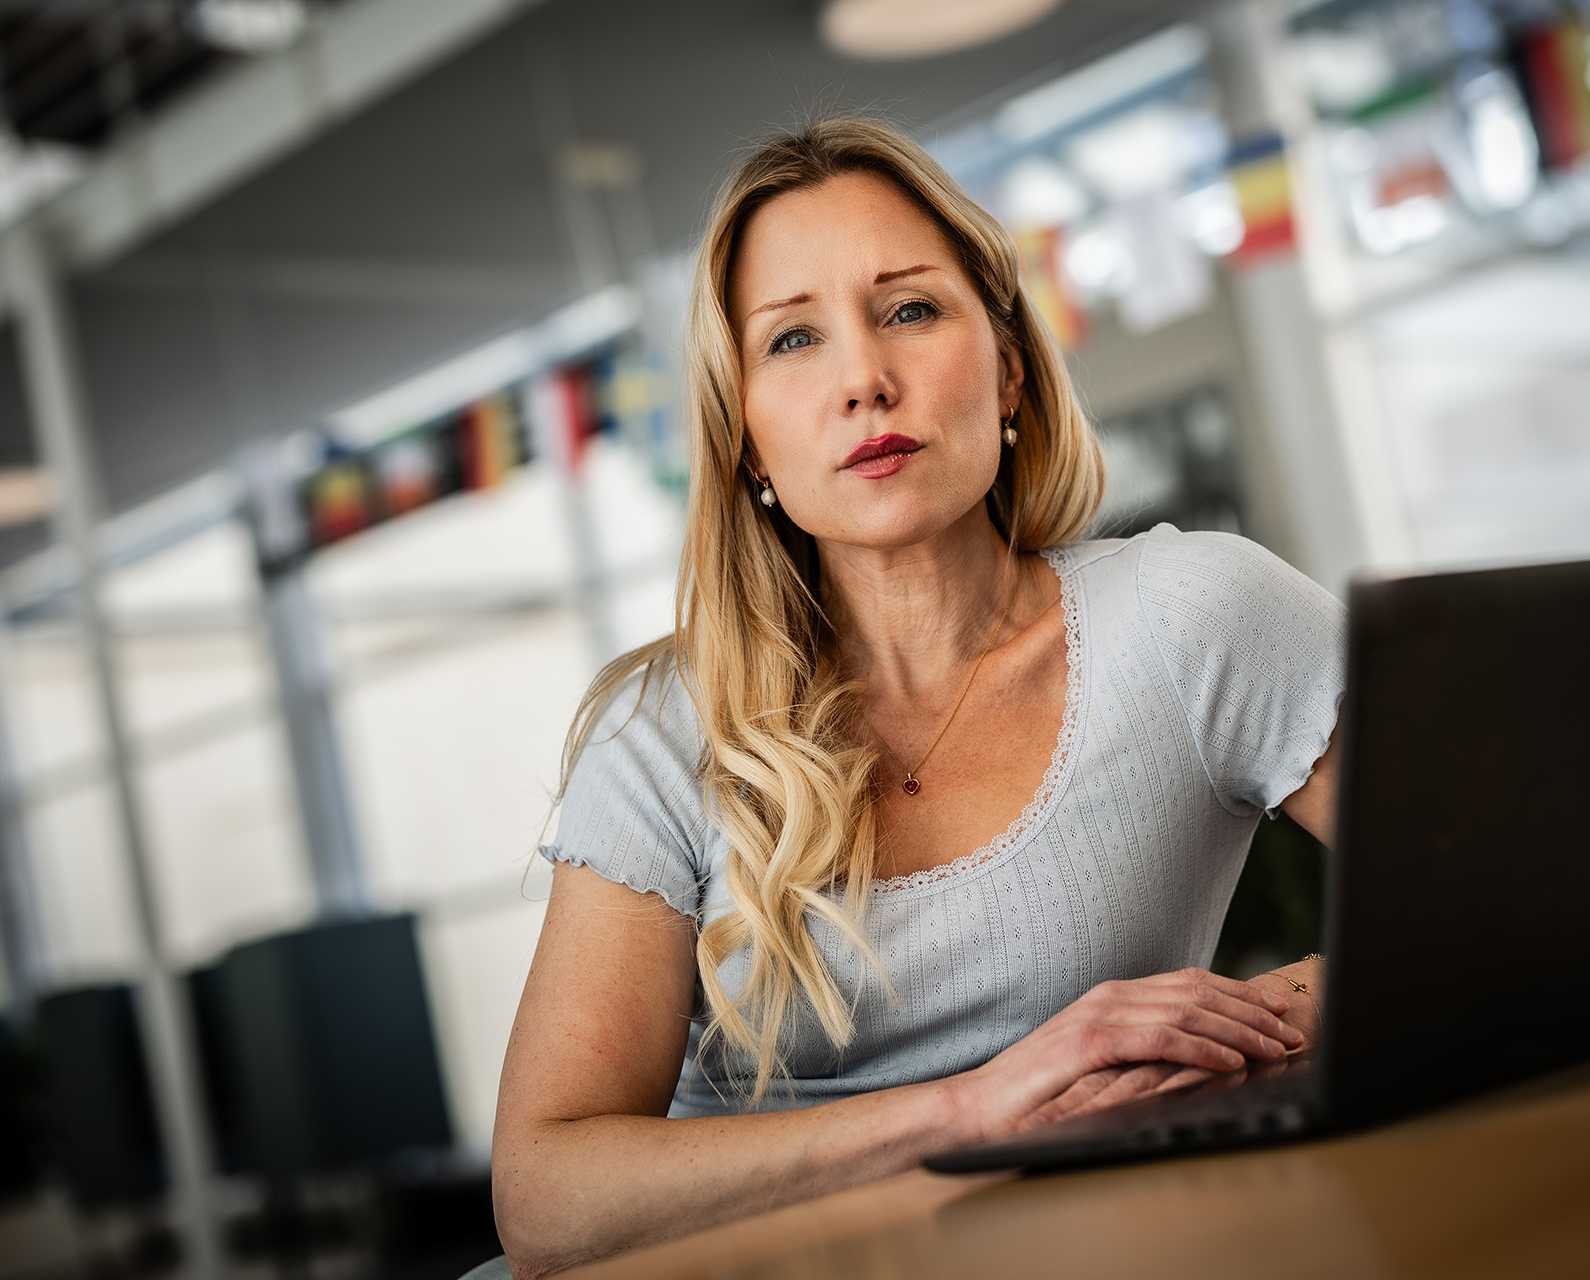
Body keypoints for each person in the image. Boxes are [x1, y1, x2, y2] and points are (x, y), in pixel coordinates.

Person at [492, 117, 1343, 1276]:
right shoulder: (663, 733)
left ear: (1008, 364)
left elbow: (1507, 880)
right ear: (746, 437)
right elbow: (545, 1193)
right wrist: (969, 1110)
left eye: (908, 309)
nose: (863, 380)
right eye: (792, 338)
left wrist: (1237, 1030)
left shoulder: (1196, 613)